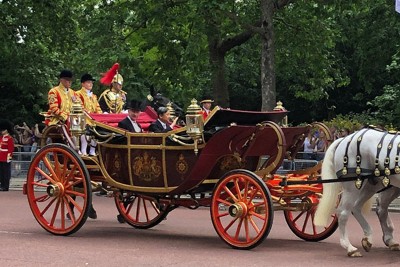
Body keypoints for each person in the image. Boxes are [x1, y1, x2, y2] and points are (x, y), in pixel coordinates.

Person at [75, 73, 102, 156]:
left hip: (93, 119)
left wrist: (100, 116)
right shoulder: (78, 94)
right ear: (83, 84)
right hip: (82, 117)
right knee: (85, 127)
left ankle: (92, 150)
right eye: (88, 82)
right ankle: (83, 150)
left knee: (99, 129)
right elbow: (80, 107)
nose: (91, 84)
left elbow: (98, 108)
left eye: (91, 82)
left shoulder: (94, 96)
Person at [0, 120, 15, 191]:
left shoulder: (9, 138)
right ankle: (2, 185)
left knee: (6, 173)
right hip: (0, 157)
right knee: (1, 173)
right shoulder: (1, 138)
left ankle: (6, 186)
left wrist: (8, 158)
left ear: (6, 130)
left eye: (3, 130)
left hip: (6, 157)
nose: (1, 131)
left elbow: (10, 149)